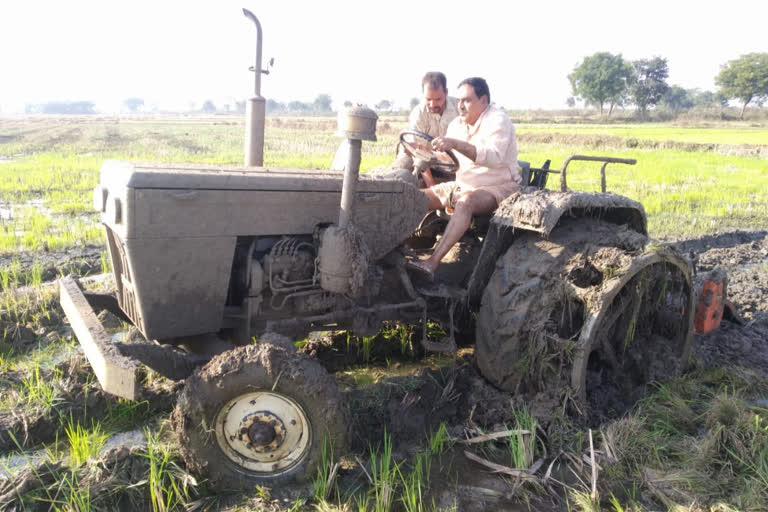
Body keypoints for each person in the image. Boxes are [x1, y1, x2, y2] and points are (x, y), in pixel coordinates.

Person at [407, 77, 521, 281]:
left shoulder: (498, 121)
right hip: (463, 184)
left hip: (498, 186)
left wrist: (456, 144)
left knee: (466, 203)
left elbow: (493, 157)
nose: (460, 106)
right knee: (411, 197)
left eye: (467, 100)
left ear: (483, 100)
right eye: (459, 101)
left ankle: (431, 263)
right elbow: (448, 159)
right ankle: (397, 254)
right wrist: (424, 153)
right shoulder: (457, 125)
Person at [394, 72, 459, 170]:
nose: (432, 104)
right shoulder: (418, 114)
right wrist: (431, 184)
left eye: (438, 99)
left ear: (446, 92)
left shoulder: (459, 107)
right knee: (403, 165)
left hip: (453, 159)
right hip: (420, 158)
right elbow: (418, 153)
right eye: (428, 99)